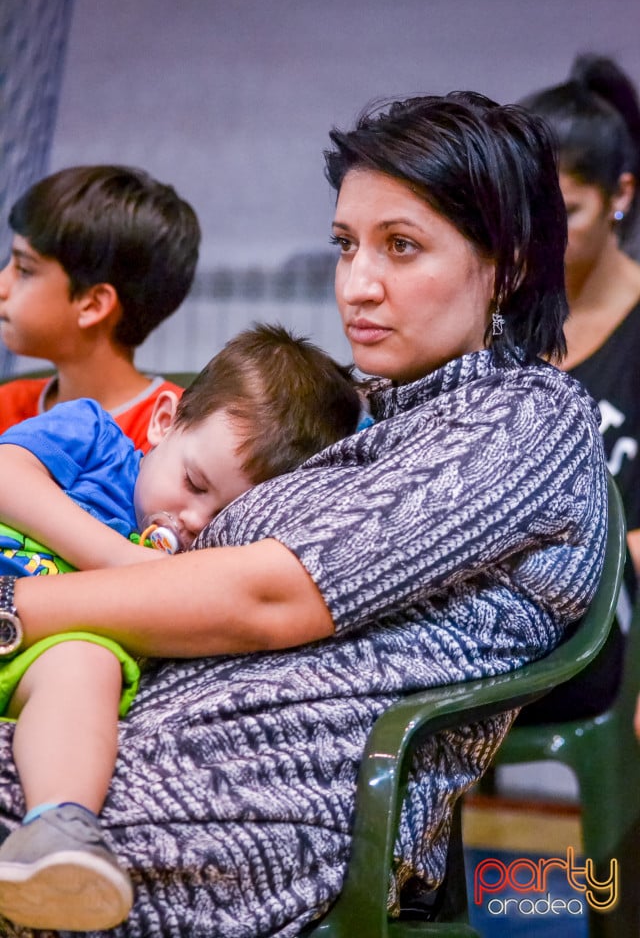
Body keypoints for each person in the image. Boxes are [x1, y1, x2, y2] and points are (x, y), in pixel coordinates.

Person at [0, 93, 607, 938]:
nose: (357, 285)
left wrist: (14, 614)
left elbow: (269, 597)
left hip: (241, 801)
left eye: (402, 247)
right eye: (346, 245)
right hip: (110, 753)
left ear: (504, 264)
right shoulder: (365, 418)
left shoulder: (526, 418)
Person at [0, 322, 362, 931]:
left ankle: (57, 828)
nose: (192, 518)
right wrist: (117, 560)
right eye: (194, 482)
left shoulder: (203, 569)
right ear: (165, 421)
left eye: (224, 515)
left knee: (84, 664)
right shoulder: (93, 436)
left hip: (42, 663)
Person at [510, 54, 640, 726]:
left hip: (601, 635)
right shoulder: (505, 323)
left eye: (568, 211)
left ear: (621, 194)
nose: (544, 237)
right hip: (497, 614)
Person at [0, 165, 201, 451]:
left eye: (24, 270)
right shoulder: (6, 404)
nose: (2, 285)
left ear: (93, 305)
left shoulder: (177, 431)